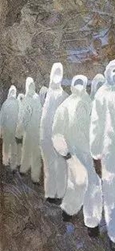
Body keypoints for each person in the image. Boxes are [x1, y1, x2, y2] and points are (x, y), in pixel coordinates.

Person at [52, 75, 102, 236]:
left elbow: (97, 129)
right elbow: (57, 132)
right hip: (73, 153)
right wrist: (65, 152)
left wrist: (97, 151)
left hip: (88, 153)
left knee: (91, 185)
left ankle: (91, 223)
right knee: (78, 183)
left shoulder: (90, 104)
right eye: (77, 83)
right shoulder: (65, 107)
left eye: (82, 83)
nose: (80, 86)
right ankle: (69, 210)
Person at [90, 59, 115, 251]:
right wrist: (96, 153)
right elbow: (96, 126)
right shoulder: (102, 94)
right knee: (114, 196)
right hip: (111, 154)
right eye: (113, 70)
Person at [40, 63, 69, 204]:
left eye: (59, 73)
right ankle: (51, 193)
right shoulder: (46, 95)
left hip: (59, 137)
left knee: (61, 166)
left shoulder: (65, 96)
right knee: (49, 166)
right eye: (55, 73)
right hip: (46, 136)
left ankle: (61, 194)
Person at [16, 77, 43, 184]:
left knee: (26, 151)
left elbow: (24, 118)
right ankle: (35, 177)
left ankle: (23, 170)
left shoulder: (27, 99)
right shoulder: (37, 98)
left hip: (29, 131)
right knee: (36, 154)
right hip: (37, 130)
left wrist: (19, 133)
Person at [0, 85, 19, 171]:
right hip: (14, 129)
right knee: (13, 145)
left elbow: (1, 117)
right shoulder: (18, 104)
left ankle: (5, 161)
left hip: (7, 128)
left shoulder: (6, 103)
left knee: (6, 145)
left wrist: (0, 128)